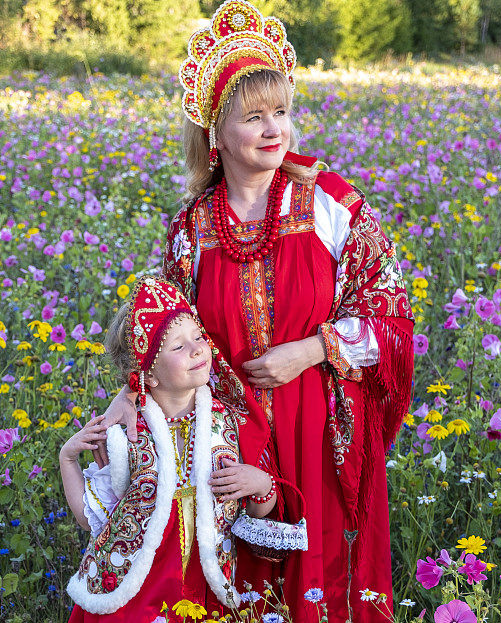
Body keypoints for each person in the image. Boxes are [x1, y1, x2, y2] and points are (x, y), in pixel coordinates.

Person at [96, 1, 415, 620]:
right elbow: (162, 334)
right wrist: (131, 395)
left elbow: (392, 316)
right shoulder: (191, 229)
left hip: (321, 423)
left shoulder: (331, 205)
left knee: (319, 576)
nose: (274, 129)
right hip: (231, 433)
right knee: (236, 581)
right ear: (216, 130)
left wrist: (312, 350)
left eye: (282, 112)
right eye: (253, 117)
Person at [63, 277, 277, 623]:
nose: (196, 349)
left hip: (206, 582)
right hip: (140, 588)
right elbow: (91, 520)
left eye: (198, 337)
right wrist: (67, 459)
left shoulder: (231, 423)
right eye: (177, 347)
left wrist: (261, 485)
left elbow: (256, 512)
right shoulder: (125, 433)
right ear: (149, 374)